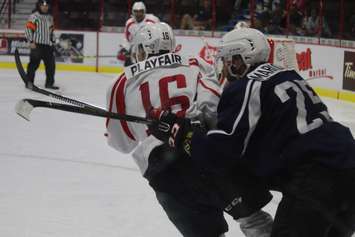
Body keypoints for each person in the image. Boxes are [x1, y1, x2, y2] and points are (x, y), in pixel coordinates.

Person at [148, 27, 355, 237]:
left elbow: (219, 154)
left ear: (240, 59)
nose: (225, 67)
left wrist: (179, 130)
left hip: (318, 178)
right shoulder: (287, 75)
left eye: (228, 60)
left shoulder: (246, 86)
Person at [106, 22, 273, 237]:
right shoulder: (196, 63)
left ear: (142, 49)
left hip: (166, 170)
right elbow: (214, 109)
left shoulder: (121, 83)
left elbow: (121, 144)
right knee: (254, 221)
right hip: (203, 150)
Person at [25, 0, 58, 90]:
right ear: (39, 6)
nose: (45, 7)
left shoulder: (50, 17)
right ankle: (29, 83)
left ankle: (49, 84)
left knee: (51, 65)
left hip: (48, 45)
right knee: (34, 65)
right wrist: (31, 41)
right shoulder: (34, 16)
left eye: (46, 5)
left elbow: (51, 32)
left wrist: (54, 42)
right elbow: (28, 29)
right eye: (43, 5)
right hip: (37, 45)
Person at [118, 1, 160, 66]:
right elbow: (127, 39)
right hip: (135, 53)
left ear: (144, 11)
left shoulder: (153, 20)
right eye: (136, 11)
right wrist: (125, 49)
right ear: (132, 12)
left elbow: (159, 35)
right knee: (128, 71)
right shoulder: (129, 23)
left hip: (150, 51)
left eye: (140, 11)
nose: (138, 14)